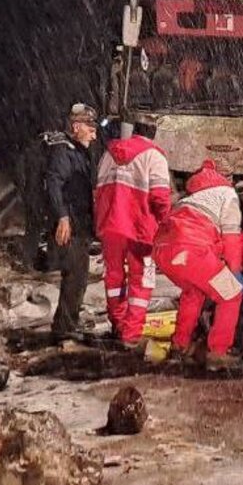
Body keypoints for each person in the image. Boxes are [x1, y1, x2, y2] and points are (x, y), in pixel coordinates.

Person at [154, 160, 243, 371]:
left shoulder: (192, 197)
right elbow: (231, 239)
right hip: (191, 249)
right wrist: (235, 271)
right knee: (231, 293)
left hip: (163, 248)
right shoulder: (227, 195)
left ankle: (180, 346)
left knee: (193, 292)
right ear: (229, 179)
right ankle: (218, 352)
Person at [94, 123, 171, 349]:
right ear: (153, 137)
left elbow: (98, 189)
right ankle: (131, 334)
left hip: (110, 225)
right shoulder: (154, 156)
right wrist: (166, 225)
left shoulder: (109, 153)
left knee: (114, 279)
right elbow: (160, 197)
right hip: (140, 229)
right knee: (142, 280)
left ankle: (117, 324)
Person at [44, 103, 98, 341]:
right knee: (75, 275)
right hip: (70, 225)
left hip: (78, 224)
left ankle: (67, 323)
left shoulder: (76, 150)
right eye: (91, 128)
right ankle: (65, 328)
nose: (94, 134)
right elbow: (55, 183)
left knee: (78, 275)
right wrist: (62, 218)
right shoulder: (63, 152)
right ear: (76, 127)